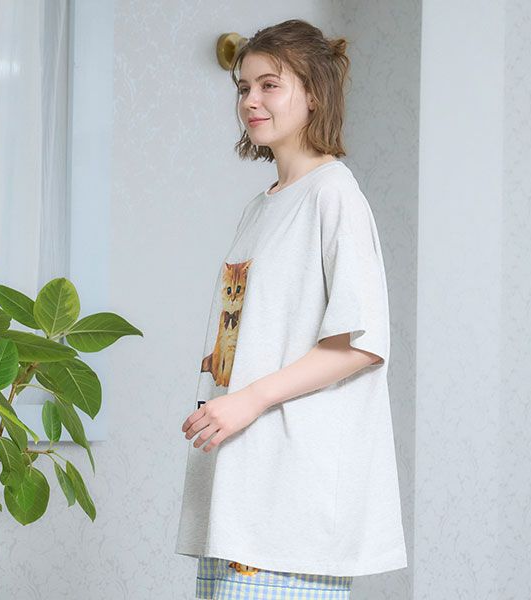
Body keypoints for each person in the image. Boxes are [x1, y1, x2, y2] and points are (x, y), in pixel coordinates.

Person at [174, 18, 408, 600]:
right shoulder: (261, 208)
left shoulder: (334, 195)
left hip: (291, 499)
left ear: (314, 94)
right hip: (240, 489)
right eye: (243, 87)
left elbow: (360, 345)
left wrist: (249, 398)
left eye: (269, 85)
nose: (250, 100)